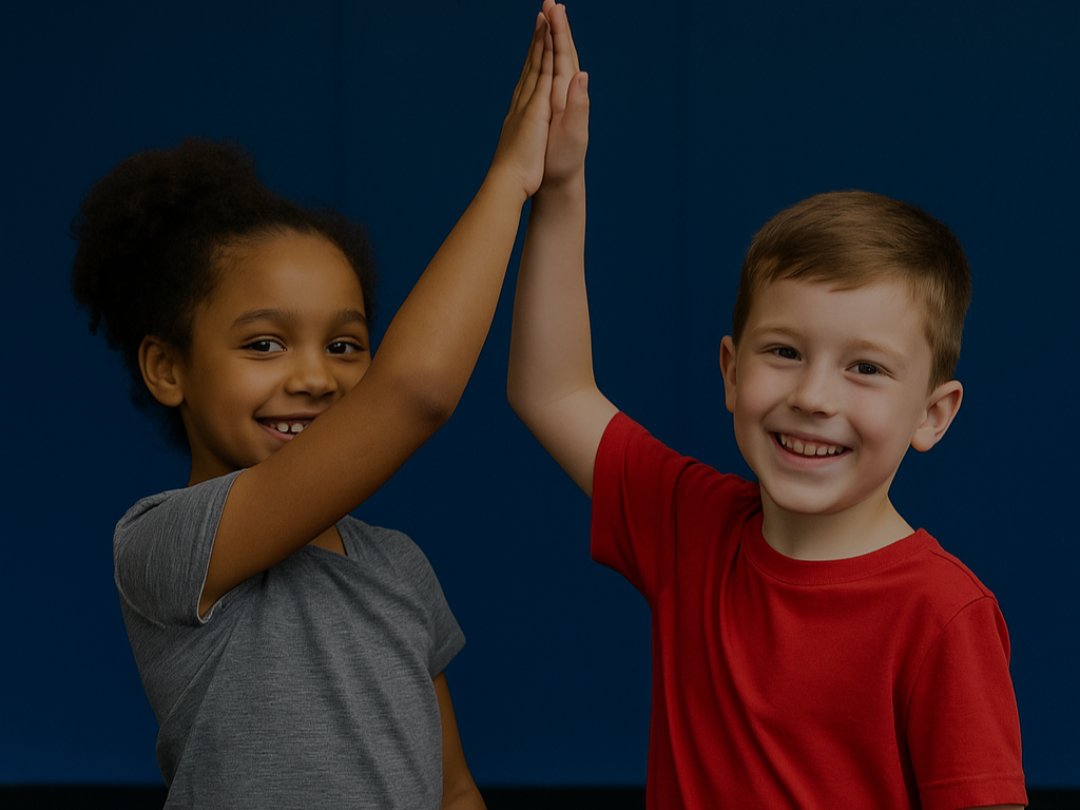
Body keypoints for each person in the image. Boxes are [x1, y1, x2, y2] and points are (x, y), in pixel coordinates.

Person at [507, 4, 1026, 808]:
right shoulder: (688, 526)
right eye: (784, 352)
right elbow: (552, 389)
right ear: (729, 369)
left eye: (866, 368)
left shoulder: (943, 614)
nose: (813, 397)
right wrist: (559, 187)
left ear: (934, 414)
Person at [70, 8, 565, 808]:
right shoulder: (164, 545)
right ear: (168, 369)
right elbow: (416, 391)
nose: (315, 378)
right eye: (264, 344)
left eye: (345, 345)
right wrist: (509, 180)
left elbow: (454, 788)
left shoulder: (398, 566)